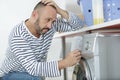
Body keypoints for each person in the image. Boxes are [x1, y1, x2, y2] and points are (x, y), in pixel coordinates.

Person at [0, 0, 84, 80]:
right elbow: (33, 68)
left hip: (34, 76)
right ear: (34, 15)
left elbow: (78, 26)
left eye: (53, 21)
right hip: (10, 75)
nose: (50, 26)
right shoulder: (18, 35)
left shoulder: (50, 25)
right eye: (47, 20)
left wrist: (60, 10)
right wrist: (65, 62)